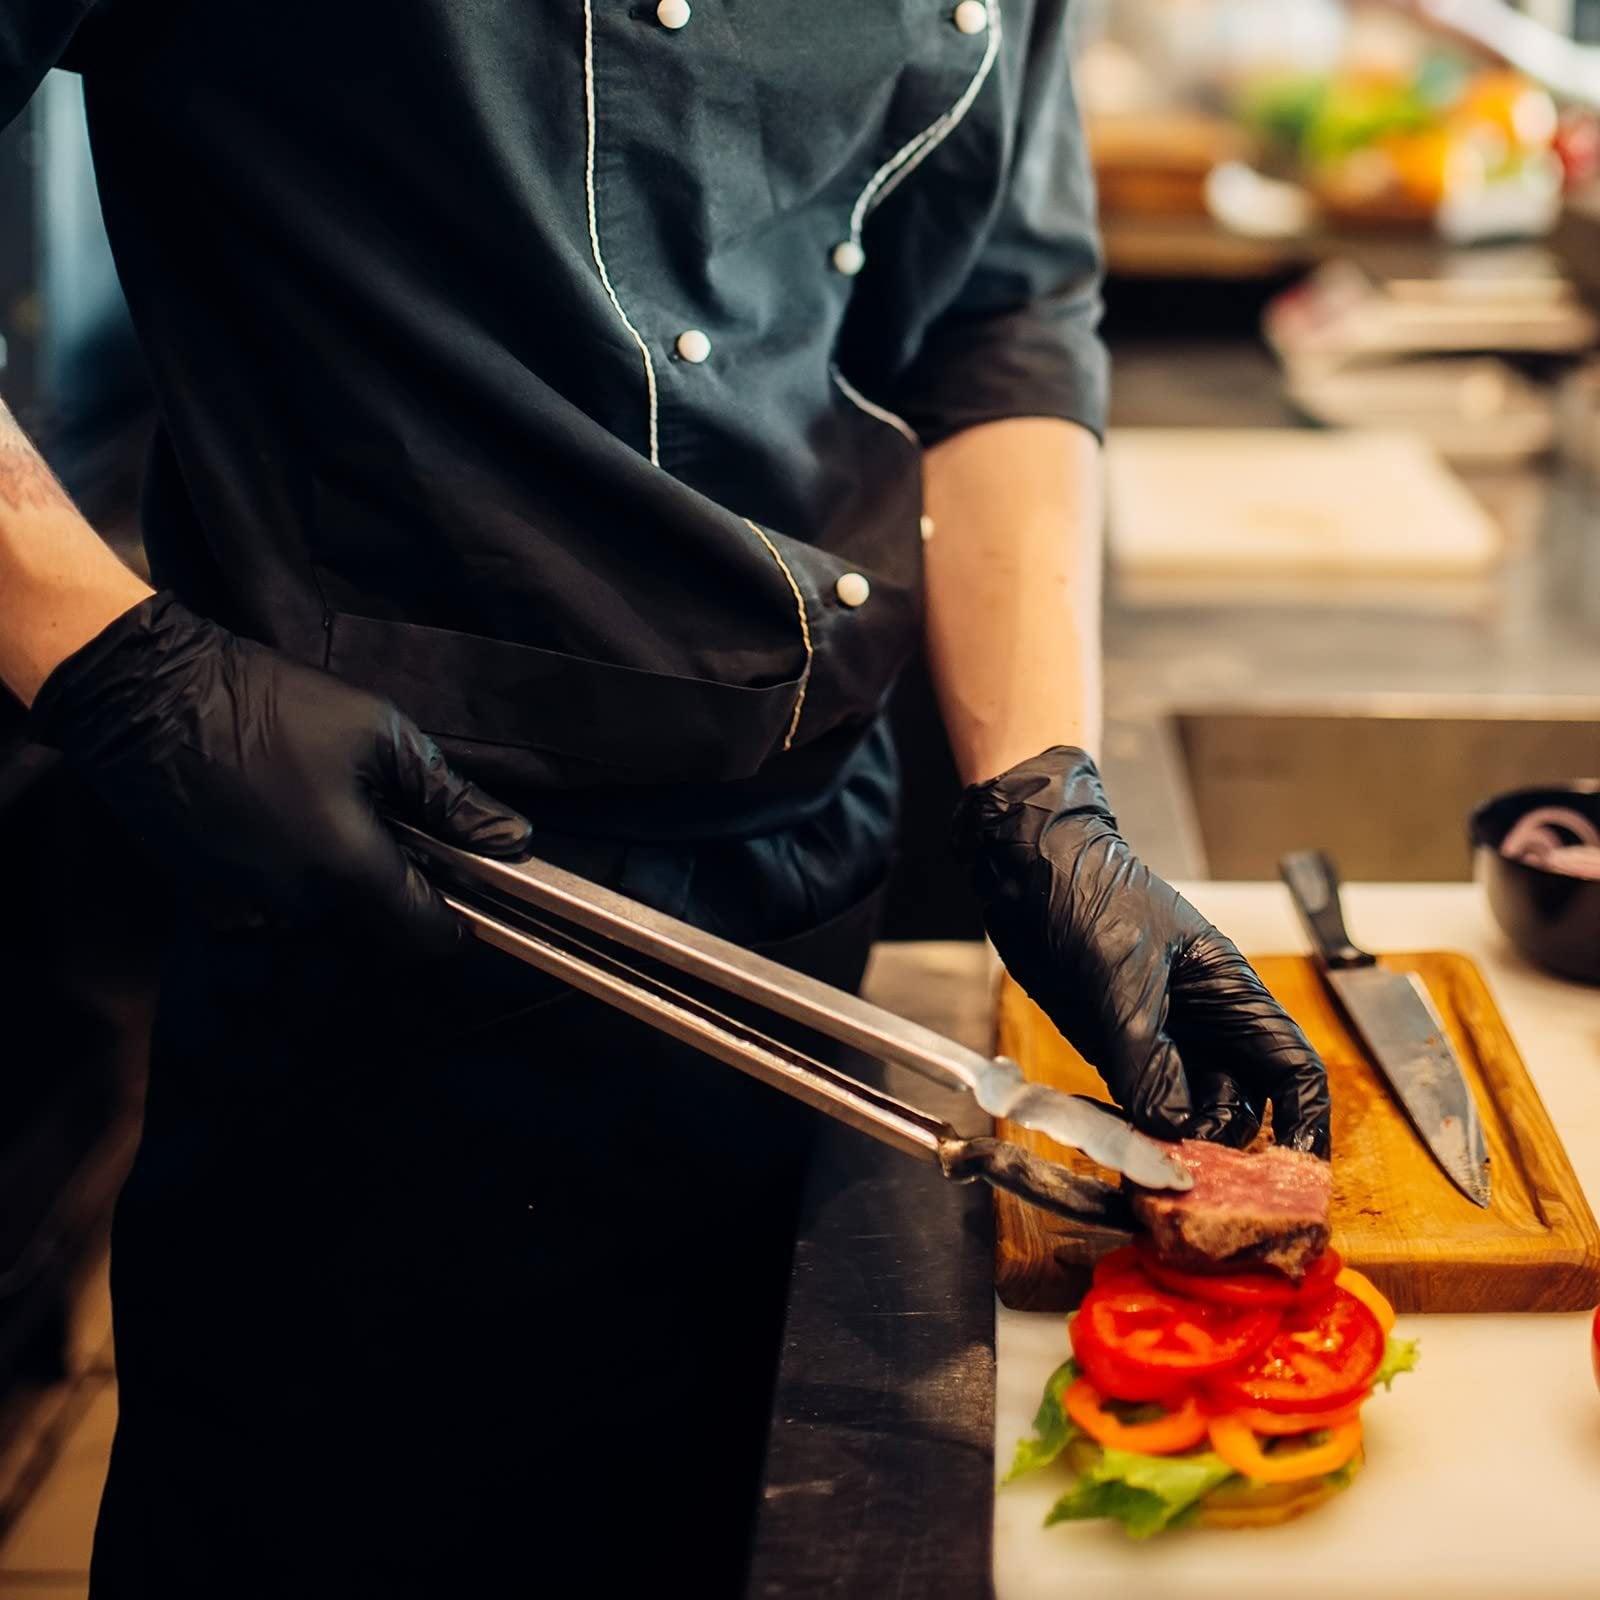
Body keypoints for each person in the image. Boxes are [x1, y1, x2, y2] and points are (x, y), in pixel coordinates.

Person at [0, 5, 1330, 1595]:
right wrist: (101, 648)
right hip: (383, 891)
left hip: (815, 865)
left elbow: (1002, 308)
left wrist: (1044, 788)